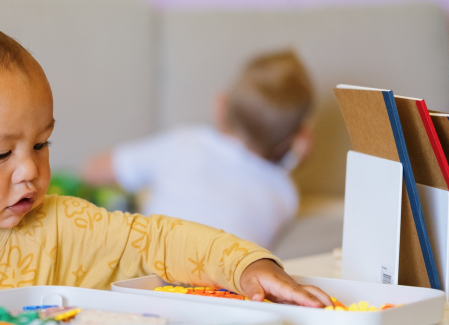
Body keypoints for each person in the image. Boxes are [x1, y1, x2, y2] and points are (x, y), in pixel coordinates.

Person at [0, 11, 330, 320]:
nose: (29, 170)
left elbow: (164, 241)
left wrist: (248, 267)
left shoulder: (67, 227)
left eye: (42, 144)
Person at [82, 50, 313, 248]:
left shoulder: (186, 142)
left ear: (219, 106)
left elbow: (93, 171)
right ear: (297, 139)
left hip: (150, 267)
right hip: (220, 287)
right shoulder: (285, 195)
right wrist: (295, 158)